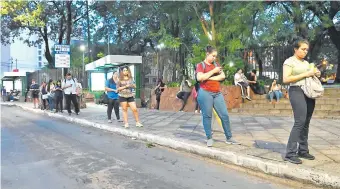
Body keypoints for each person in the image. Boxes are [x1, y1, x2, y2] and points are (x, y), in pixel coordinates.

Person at [283, 38, 321, 164]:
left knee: (306, 122)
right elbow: (286, 79)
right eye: (303, 49)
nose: (305, 52)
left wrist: (316, 73)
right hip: (296, 90)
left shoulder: (306, 63)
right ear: (295, 49)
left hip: (308, 91)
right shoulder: (289, 62)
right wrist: (306, 74)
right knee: (300, 121)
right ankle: (290, 153)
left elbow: (311, 74)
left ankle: (303, 150)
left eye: (306, 50)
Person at [196, 45, 240, 147]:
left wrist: (208, 77)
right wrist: (213, 72)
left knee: (224, 115)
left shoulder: (216, 64)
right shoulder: (200, 65)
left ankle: (229, 137)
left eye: (216, 56)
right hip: (205, 93)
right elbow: (199, 78)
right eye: (213, 56)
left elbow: (222, 76)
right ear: (207, 54)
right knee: (207, 116)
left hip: (217, 93)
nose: (215, 58)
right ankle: (209, 138)